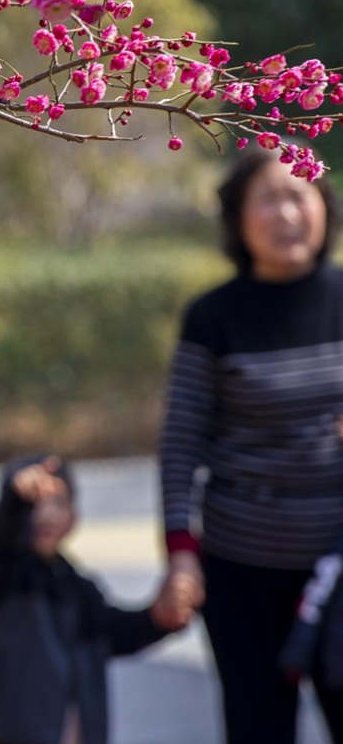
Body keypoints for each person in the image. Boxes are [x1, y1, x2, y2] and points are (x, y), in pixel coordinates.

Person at [158, 146, 343, 744]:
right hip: (244, 572)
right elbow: (181, 443)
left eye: (300, 195)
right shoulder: (214, 317)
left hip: (340, 564)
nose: (287, 212)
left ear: (324, 208)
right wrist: (181, 550)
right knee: (257, 730)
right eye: (269, 197)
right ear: (238, 219)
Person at [0, 453, 186, 744]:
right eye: (33, 502)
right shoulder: (0, 578)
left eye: (57, 502)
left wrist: (159, 618)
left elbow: (112, 633)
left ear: (73, 516)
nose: (44, 513)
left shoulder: (76, 586)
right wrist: (15, 498)